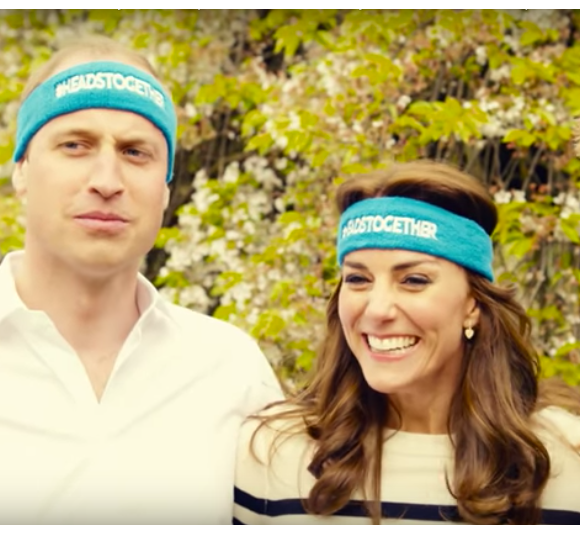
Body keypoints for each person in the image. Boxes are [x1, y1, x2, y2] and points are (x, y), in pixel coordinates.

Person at [0, 35, 283, 525]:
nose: (107, 179)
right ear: (21, 170)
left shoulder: (231, 369)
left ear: (165, 191)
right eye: (75, 145)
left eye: (135, 152)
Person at [234, 161, 580, 526]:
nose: (378, 309)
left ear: (472, 305)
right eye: (357, 279)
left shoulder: (564, 462)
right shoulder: (272, 456)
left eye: (414, 280)